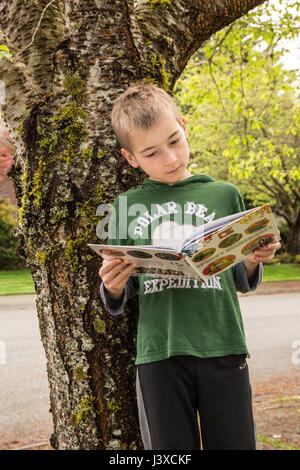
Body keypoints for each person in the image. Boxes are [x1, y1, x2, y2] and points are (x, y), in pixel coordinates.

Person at [98, 83, 281, 450]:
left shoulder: (224, 194)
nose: (169, 159)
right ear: (131, 158)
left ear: (184, 126)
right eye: (151, 153)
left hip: (223, 344)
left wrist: (250, 258)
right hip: (160, 353)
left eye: (174, 141)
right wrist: (113, 286)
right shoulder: (122, 207)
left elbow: (240, 280)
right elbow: (122, 290)